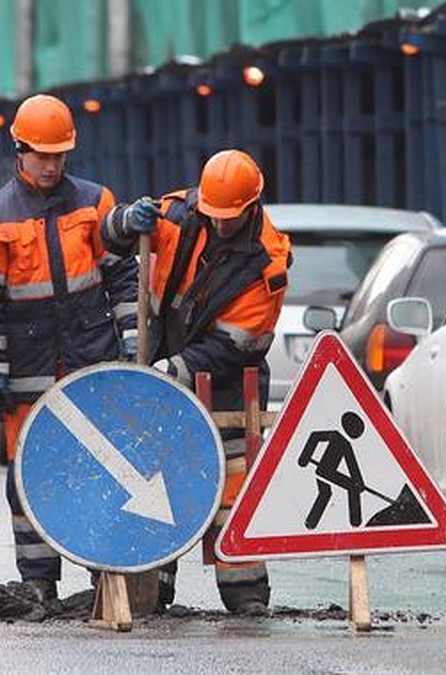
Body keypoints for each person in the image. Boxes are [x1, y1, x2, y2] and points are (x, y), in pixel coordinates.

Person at [0, 94, 139, 601]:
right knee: (30, 475)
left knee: (102, 466)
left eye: (59, 155)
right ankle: (38, 580)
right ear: (19, 150)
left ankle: (103, 573)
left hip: (90, 361)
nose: (51, 165)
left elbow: (122, 280)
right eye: (42, 155)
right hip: (28, 369)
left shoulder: (95, 203)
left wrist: (129, 341)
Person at [102, 149, 292, 614]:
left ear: (251, 207)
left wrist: (174, 370)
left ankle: (245, 594)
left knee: (230, 487)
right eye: (214, 215)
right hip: (163, 361)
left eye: (229, 218)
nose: (220, 224)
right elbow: (108, 238)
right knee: (157, 481)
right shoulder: (176, 214)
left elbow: (238, 346)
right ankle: (152, 590)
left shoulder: (267, 264)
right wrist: (126, 220)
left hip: (225, 383)